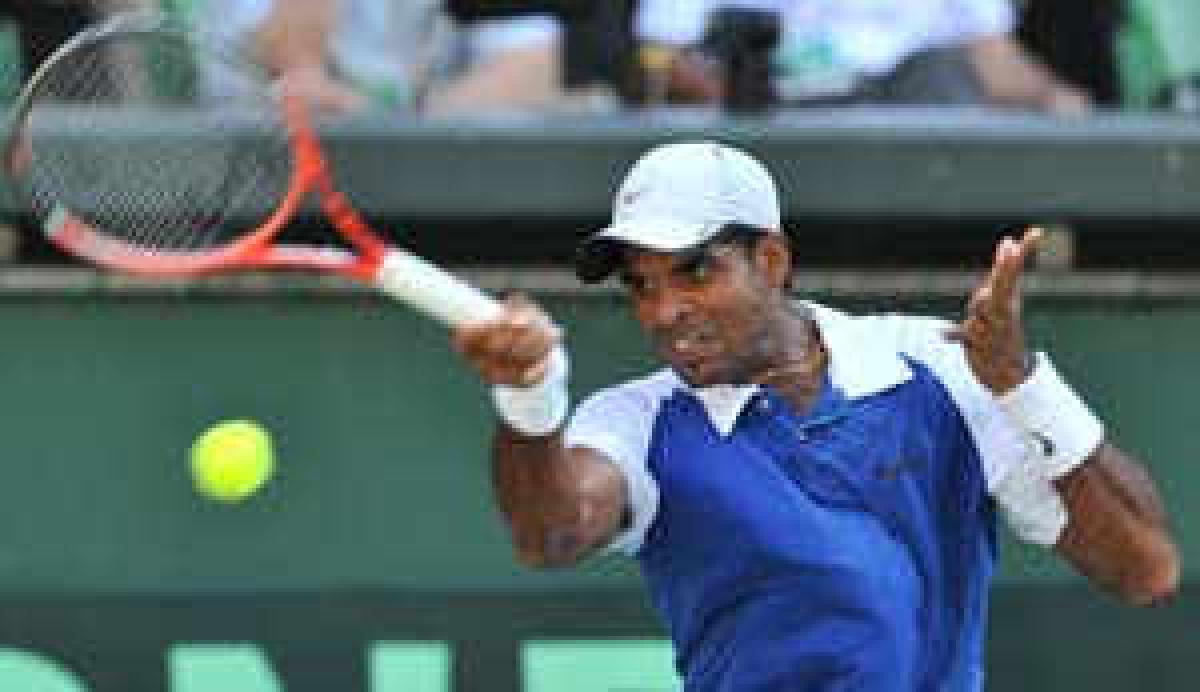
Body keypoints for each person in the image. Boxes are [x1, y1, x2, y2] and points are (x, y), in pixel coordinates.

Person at [453, 141, 1179, 690]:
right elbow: (550, 533)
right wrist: (531, 401)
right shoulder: (637, 422)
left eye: (695, 271)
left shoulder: (938, 367)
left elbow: (1144, 569)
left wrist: (1022, 386)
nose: (664, 311)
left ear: (771, 261)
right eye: (640, 286)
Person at [635, 0, 1092, 114]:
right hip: (776, 110)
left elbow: (990, 55)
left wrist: (1059, 101)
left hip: (912, 111)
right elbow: (664, 58)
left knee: (941, 75)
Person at [195, 0, 565, 116]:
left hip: (423, 200)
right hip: (252, 193)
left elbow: (537, 60)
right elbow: (297, 73)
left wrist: (413, 125)